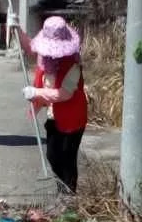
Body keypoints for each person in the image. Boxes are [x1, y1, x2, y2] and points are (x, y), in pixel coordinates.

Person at [12, 14, 88, 194]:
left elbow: (64, 94)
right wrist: (16, 27)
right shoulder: (46, 58)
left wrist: (36, 92)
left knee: (67, 159)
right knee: (53, 156)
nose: (48, 53)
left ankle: (68, 195)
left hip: (72, 118)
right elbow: (31, 48)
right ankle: (62, 189)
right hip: (54, 116)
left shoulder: (73, 65)